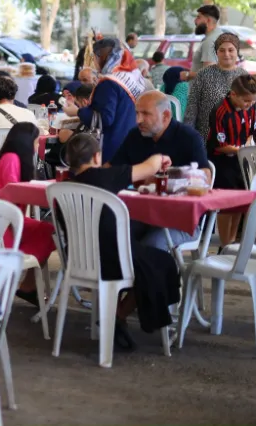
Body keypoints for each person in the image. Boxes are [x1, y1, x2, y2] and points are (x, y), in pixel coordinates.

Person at [64, 133, 179, 348]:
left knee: (143, 258)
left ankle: (115, 316)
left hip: (79, 259)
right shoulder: (107, 176)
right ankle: (118, 315)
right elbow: (149, 167)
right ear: (97, 157)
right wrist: (160, 157)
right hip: (111, 261)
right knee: (161, 262)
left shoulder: (64, 186)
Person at [109, 91, 211, 250]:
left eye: (146, 114)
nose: (138, 120)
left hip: (183, 220)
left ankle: (155, 275)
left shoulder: (188, 137)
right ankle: (125, 275)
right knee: (113, 232)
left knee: (152, 244)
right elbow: (114, 169)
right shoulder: (135, 135)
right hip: (143, 213)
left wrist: (166, 179)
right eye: (136, 113)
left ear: (166, 116)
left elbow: (206, 177)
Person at [0, 122, 57, 302]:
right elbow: (14, 193)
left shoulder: (9, 157)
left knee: (45, 230)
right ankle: (27, 285)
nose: (38, 146)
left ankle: (28, 285)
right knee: (47, 232)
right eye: (37, 142)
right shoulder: (11, 160)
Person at [63, 37, 145, 163]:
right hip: (130, 140)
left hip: (110, 146)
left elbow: (105, 119)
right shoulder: (133, 77)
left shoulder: (109, 83)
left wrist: (78, 111)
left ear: (101, 57)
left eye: (95, 58)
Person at [206, 74, 256, 247]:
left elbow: (250, 132)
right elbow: (219, 145)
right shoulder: (220, 111)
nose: (250, 105)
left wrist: (247, 147)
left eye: (252, 101)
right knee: (225, 205)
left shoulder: (252, 107)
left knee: (240, 201)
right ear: (233, 94)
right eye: (246, 101)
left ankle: (232, 242)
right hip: (222, 160)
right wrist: (241, 150)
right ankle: (224, 243)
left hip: (241, 158)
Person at [183, 32, 250, 143]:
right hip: (206, 137)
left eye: (231, 50)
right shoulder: (203, 74)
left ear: (237, 52)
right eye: (222, 50)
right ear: (216, 53)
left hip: (235, 139)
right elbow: (192, 106)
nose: (226, 54)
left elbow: (255, 106)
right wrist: (188, 136)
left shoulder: (244, 77)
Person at [192, 4, 223, 73]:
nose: (195, 21)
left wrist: (187, 75)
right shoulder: (220, 35)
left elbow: (208, 74)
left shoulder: (210, 41)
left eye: (198, 17)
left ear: (208, 20)